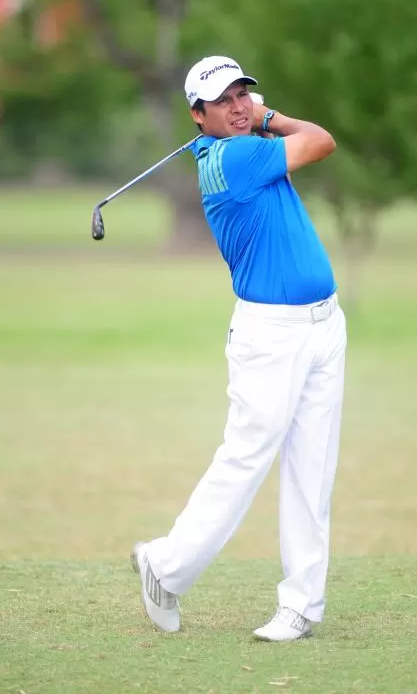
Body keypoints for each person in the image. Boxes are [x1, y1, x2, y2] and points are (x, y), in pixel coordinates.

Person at [131, 55, 347, 642]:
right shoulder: (238, 157)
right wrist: (270, 115)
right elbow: (322, 140)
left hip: (324, 325)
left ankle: (302, 604)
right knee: (246, 458)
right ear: (197, 116)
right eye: (223, 99)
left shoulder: (240, 146)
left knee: (313, 469)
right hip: (271, 334)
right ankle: (166, 566)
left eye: (245, 93)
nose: (238, 105)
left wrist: (256, 115)